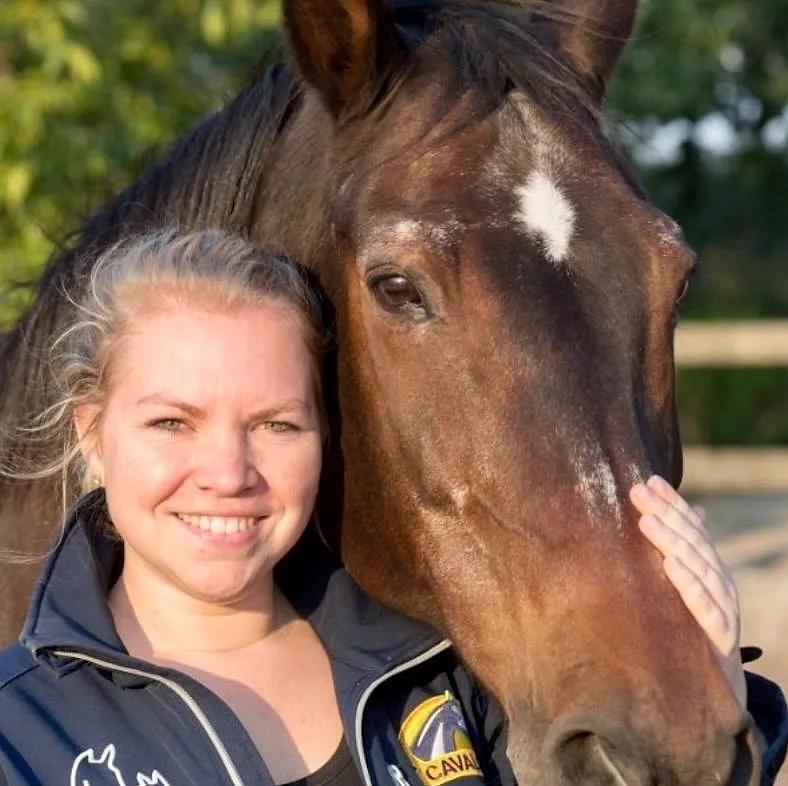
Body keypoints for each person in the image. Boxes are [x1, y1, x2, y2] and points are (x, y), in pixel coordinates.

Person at [0, 228, 784, 786]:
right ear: (93, 435)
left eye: (276, 424)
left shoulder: (442, 676)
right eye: (173, 422)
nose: (227, 473)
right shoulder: (22, 735)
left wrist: (709, 693)